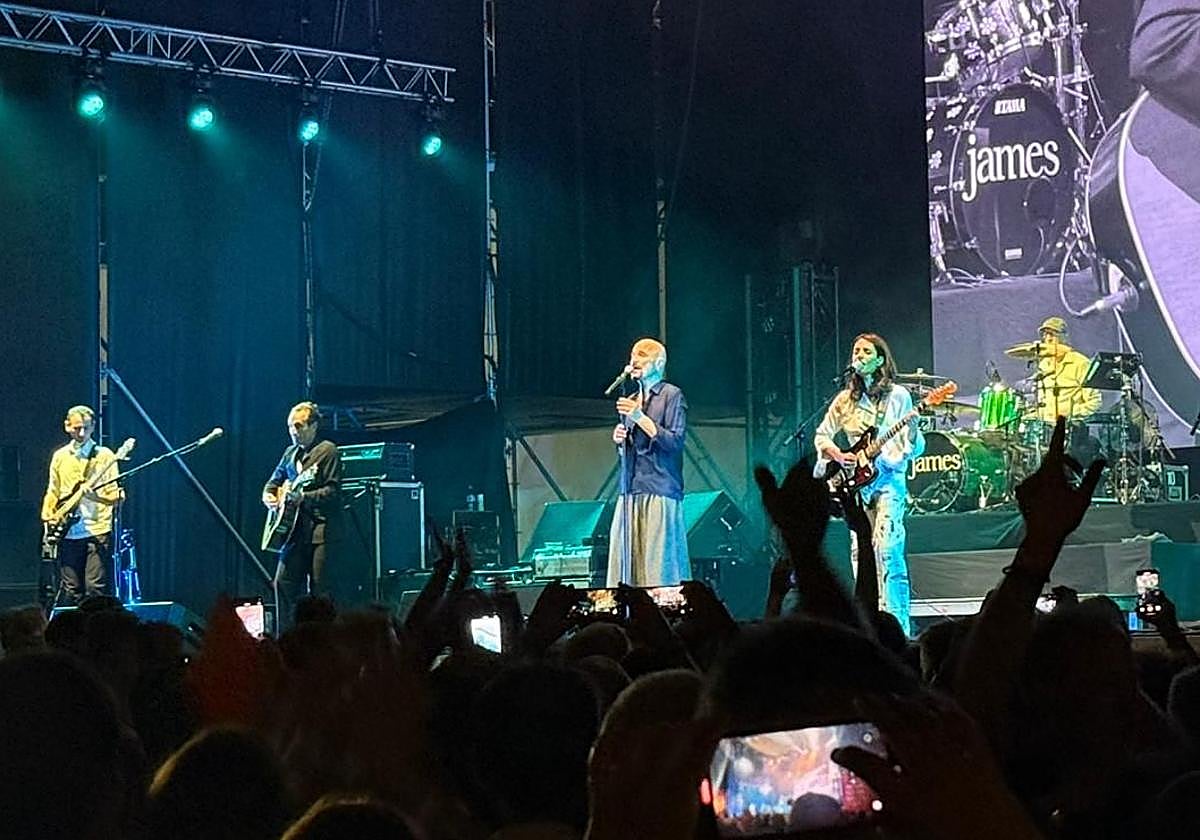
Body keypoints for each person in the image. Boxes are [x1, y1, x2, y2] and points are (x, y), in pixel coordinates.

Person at [813, 334, 923, 635]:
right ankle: (868, 623)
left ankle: (898, 626)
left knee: (887, 546)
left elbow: (914, 447)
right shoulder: (844, 401)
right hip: (856, 486)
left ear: (880, 360)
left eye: (865, 351)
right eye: (855, 351)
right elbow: (822, 435)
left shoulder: (899, 396)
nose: (858, 355)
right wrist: (839, 453)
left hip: (889, 480)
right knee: (860, 553)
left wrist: (912, 432)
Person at [606, 338, 689, 587]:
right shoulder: (631, 399)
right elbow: (631, 450)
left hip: (660, 488)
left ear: (659, 362)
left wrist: (639, 417)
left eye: (642, 355)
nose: (635, 360)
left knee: (657, 566)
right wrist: (619, 441)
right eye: (633, 355)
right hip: (631, 489)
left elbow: (674, 442)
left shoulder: (671, 395)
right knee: (626, 565)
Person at [263, 402, 341, 628]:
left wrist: (304, 498)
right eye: (290, 427)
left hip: (321, 531)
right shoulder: (290, 453)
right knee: (282, 585)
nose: (293, 432)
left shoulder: (328, 451)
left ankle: (324, 642)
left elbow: (333, 491)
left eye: (298, 426)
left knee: (319, 590)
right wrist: (268, 496)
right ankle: (285, 637)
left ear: (314, 425)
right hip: (294, 533)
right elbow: (273, 483)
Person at [41, 405, 122, 606]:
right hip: (68, 531)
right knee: (70, 589)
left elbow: (117, 496)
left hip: (97, 529)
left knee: (95, 587)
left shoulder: (105, 456)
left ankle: (96, 633)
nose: (82, 433)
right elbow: (53, 490)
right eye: (77, 428)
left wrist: (94, 497)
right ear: (67, 427)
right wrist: (48, 515)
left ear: (94, 426)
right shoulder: (60, 456)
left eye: (86, 427)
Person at [1029, 317, 1101, 423]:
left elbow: (1094, 402)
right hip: (1046, 427)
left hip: (1070, 427)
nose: (1048, 339)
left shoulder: (1080, 363)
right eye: (1045, 334)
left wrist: (1069, 414)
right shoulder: (1043, 364)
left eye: (1052, 334)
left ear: (1064, 337)